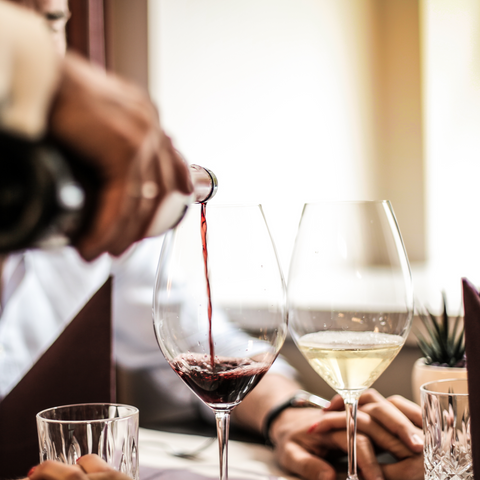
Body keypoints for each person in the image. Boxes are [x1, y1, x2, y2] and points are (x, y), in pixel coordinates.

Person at [0, 2, 425, 480]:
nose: (39, 47)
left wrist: (289, 415)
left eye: (53, 21)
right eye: (14, 26)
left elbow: (201, 342)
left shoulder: (97, 213)